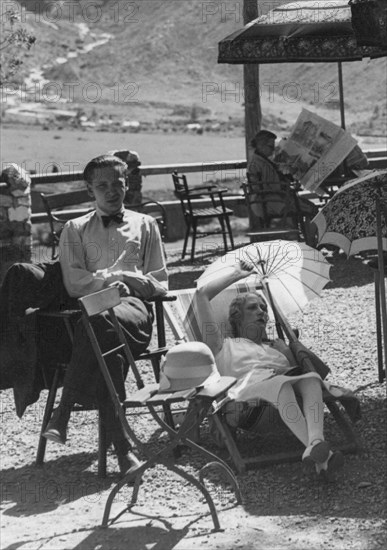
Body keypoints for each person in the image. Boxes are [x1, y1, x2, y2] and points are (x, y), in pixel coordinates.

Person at [37, 154, 168, 475]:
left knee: (98, 324)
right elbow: (74, 284)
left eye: (117, 184)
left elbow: (160, 283)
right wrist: (115, 278)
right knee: (106, 345)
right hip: (95, 313)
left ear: (127, 185)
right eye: (102, 186)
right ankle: (123, 451)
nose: (112, 192)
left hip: (133, 312)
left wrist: (131, 281)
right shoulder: (75, 229)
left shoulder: (146, 225)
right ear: (89, 189)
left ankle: (63, 411)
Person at [195, 259, 344, 478]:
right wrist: (237, 275)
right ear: (236, 316)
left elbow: (298, 375)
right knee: (281, 384)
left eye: (264, 308)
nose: (261, 312)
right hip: (244, 399)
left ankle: (317, 449)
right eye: (253, 307)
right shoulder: (221, 345)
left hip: (280, 395)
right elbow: (201, 296)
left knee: (311, 378)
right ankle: (317, 448)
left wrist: (286, 349)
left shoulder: (276, 350)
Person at [247, 130, 318, 243]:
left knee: (306, 206)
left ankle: (309, 239)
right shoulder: (259, 164)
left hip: (269, 201)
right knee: (312, 208)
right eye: (271, 146)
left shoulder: (260, 161)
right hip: (272, 202)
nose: (273, 149)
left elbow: (271, 182)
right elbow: (270, 187)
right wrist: (286, 186)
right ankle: (311, 242)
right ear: (261, 146)